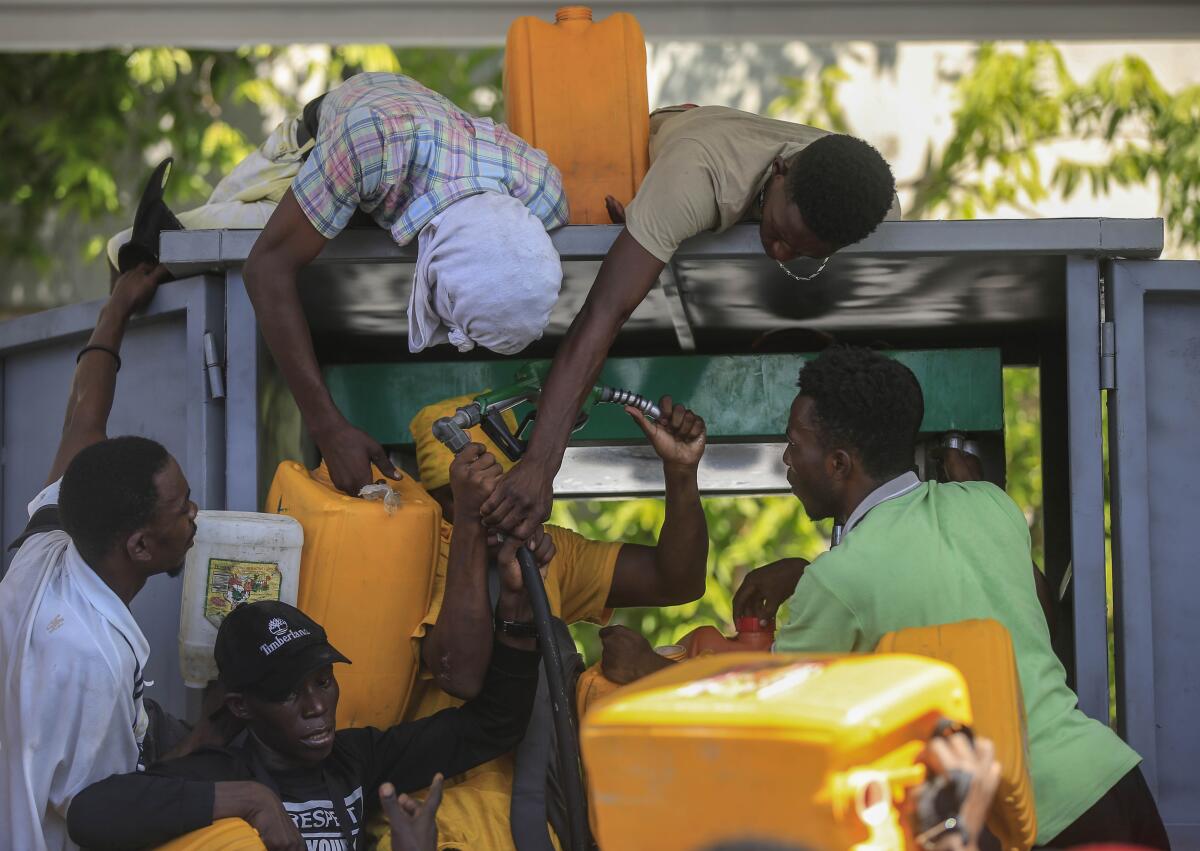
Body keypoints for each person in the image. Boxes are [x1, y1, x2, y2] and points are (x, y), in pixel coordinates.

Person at [601, 347, 1168, 849]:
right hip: (1114, 786)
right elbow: (1030, 618)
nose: (785, 461)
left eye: (795, 446)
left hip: (1026, 822)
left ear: (840, 464)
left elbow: (770, 727)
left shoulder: (839, 583)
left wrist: (651, 671)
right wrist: (806, 570)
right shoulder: (987, 504)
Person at [482, 105, 900, 544]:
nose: (778, 253)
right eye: (778, 231)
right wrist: (539, 467)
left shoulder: (874, 207)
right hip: (680, 130)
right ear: (779, 171)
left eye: (802, 253)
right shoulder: (697, 177)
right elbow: (603, 315)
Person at [66, 485, 542, 851]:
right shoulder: (221, 772)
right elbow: (89, 814)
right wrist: (252, 800)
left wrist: (517, 607)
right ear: (242, 707)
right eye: (290, 692)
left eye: (323, 680)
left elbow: (494, 726)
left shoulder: (357, 759)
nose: (318, 706)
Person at [391, 391, 709, 849]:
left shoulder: (546, 551)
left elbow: (675, 580)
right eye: (465, 497)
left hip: (546, 818)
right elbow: (458, 673)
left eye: (498, 493)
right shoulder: (417, 560)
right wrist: (468, 529)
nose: (490, 510)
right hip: (444, 822)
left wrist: (681, 473)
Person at [0, 263, 213, 850]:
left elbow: (83, 417)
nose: (195, 515)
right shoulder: (90, 660)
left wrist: (117, 307)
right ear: (140, 546)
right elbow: (108, 815)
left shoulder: (49, 536)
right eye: (182, 510)